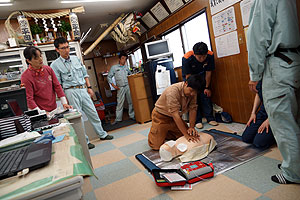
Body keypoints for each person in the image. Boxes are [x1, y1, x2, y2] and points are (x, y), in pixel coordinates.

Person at [247, 0, 300, 184]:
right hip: (292, 60)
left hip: (276, 63)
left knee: (284, 126)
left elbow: (257, 35)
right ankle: (295, 164)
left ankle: (293, 173)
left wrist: (254, 73)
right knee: (292, 121)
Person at [51, 37, 113, 150]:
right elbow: (57, 85)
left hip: (82, 89)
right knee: (77, 117)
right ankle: (85, 141)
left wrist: (89, 87)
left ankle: (102, 134)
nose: (66, 50)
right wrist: (64, 99)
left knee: (93, 112)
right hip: (70, 91)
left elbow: (85, 74)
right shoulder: (55, 65)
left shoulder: (76, 59)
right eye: (63, 48)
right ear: (57, 50)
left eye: (67, 47)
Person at [148, 74, 205, 150]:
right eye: (191, 91)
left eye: (195, 92)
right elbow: (176, 116)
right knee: (156, 146)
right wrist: (186, 135)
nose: (192, 94)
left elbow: (193, 109)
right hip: (161, 117)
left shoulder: (193, 93)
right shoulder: (172, 91)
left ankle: (167, 132)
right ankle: (159, 131)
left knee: (189, 138)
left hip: (175, 119)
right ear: (186, 83)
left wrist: (191, 127)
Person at [21, 46, 72, 113]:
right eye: (36, 58)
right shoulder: (26, 77)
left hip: (53, 108)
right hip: (38, 110)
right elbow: (29, 98)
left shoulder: (48, 69)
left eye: (40, 56)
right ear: (29, 61)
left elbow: (57, 86)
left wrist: (64, 103)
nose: (40, 59)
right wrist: (41, 112)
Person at [182, 42, 218, 129]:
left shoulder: (210, 55)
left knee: (205, 96)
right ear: (194, 54)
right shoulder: (187, 58)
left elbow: (209, 73)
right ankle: (197, 120)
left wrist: (207, 87)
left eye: (204, 57)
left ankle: (210, 118)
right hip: (191, 79)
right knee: (194, 98)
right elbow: (188, 77)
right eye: (199, 57)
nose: (202, 59)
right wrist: (192, 90)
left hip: (203, 77)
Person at [242, 81, 275, 148]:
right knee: (246, 138)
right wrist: (253, 113)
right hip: (264, 112)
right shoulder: (260, 77)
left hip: (277, 114)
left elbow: (283, 101)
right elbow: (258, 94)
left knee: (259, 143)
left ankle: (277, 137)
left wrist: (269, 120)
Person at [107, 52, 135, 124]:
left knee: (130, 101)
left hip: (127, 86)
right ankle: (118, 119)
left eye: (125, 59)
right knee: (120, 103)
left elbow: (130, 75)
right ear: (119, 59)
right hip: (120, 88)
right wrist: (113, 86)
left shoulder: (126, 67)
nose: (124, 60)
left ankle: (132, 116)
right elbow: (109, 77)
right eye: (122, 58)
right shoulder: (114, 67)